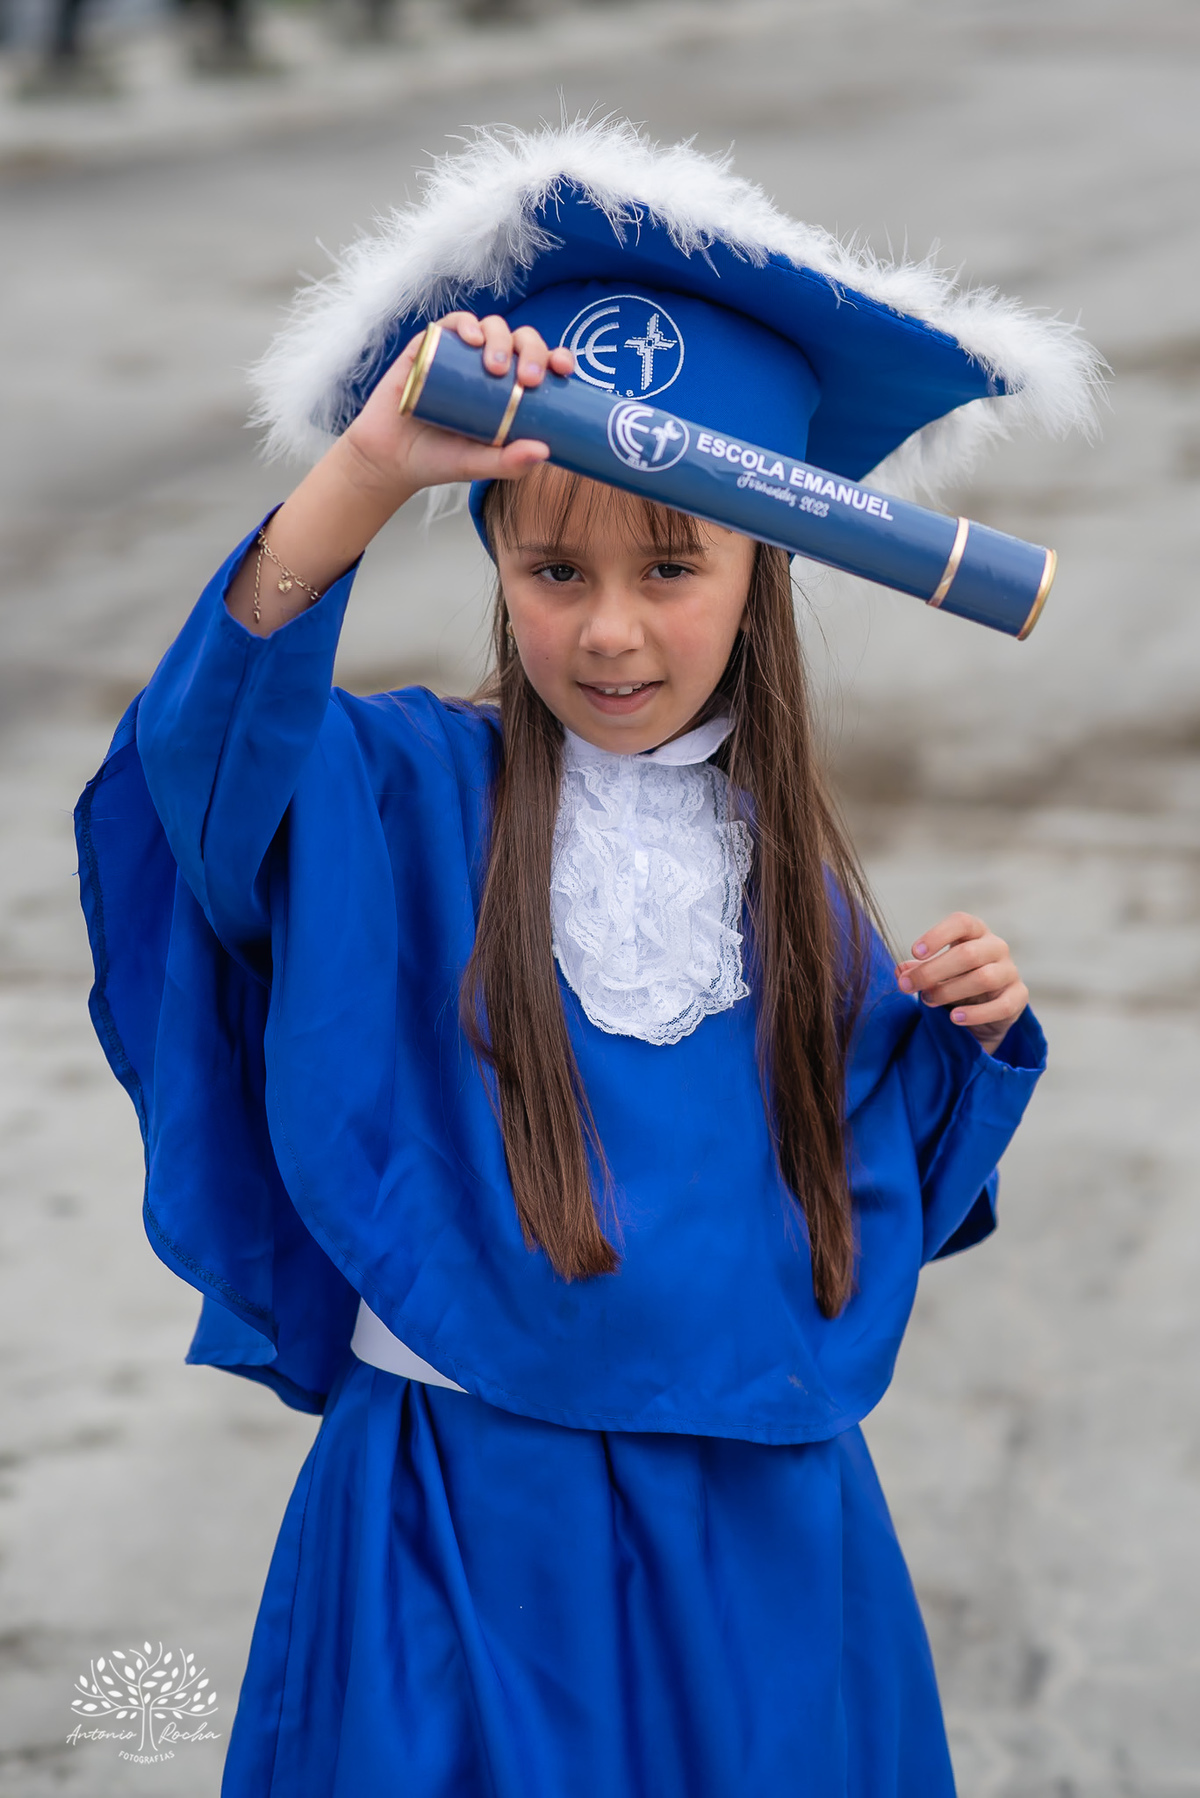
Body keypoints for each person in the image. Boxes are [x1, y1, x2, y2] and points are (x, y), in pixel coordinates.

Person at [75, 120, 1100, 1797]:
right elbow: (200, 771)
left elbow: (833, 1215)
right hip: (467, 1516)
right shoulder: (400, 794)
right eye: (555, 570)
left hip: (759, 1533)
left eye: (671, 567)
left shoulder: (792, 890)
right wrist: (374, 465)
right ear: (499, 564)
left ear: (762, 569)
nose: (610, 629)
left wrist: (959, 1032)